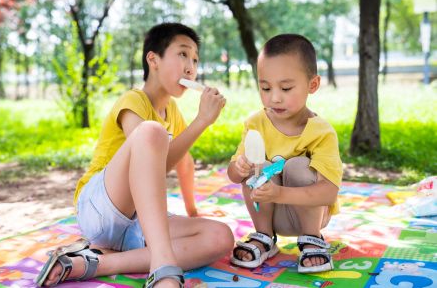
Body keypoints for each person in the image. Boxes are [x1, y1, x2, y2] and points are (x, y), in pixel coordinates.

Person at [36, 22, 234, 287]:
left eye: (196, 60)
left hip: (136, 221)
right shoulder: (133, 101)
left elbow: (184, 162)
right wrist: (201, 122)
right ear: (153, 59)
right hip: (100, 208)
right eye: (183, 54)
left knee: (220, 237)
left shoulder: (172, 111)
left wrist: (193, 210)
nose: (191, 67)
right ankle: (163, 268)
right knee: (152, 133)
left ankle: (92, 264)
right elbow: (151, 158)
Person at [228, 34, 342, 273]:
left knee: (298, 166)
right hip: (267, 213)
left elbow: (329, 192)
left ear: (312, 85)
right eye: (265, 87)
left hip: (307, 215)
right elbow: (234, 176)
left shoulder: (321, 132)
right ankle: (265, 238)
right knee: (258, 165)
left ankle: (312, 240)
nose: (274, 97)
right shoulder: (255, 124)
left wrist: (279, 193)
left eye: (286, 88)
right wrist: (239, 168)